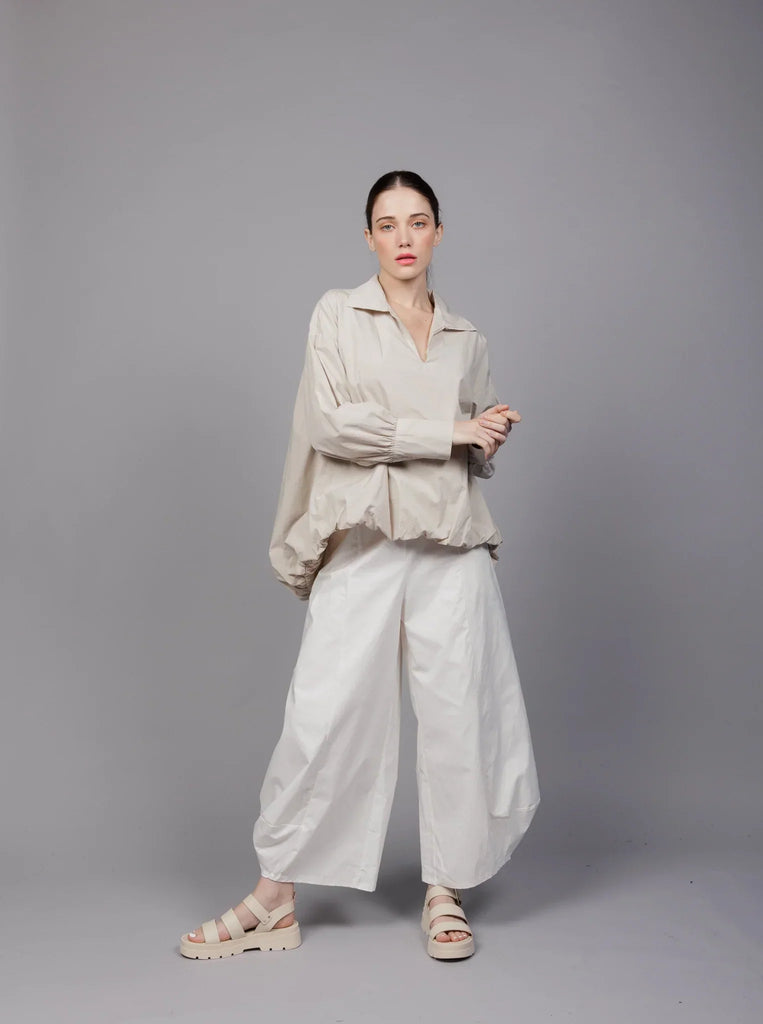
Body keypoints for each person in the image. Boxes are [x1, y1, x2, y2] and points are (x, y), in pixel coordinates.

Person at [179, 170, 540, 962]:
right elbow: (334, 426)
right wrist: (449, 431)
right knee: (324, 710)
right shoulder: (337, 314)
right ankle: (274, 896)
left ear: (438, 232)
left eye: (417, 221)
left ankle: (445, 889)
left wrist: (485, 434)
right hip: (366, 538)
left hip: (449, 544)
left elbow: (469, 444)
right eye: (387, 223)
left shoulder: (466, 336)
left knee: (458, 716)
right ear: (368, 236)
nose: (403, 237)